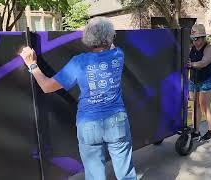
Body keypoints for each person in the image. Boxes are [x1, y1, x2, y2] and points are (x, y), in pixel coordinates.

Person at [20, 17, 137, 180]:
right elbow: (110, 42)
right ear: (110, 36)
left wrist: (32, 64)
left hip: (89, 124)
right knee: (126, 174)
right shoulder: (118, 55)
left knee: (95, 175)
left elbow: (46, 86)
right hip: (117, 121)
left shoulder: (79, 62)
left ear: (88, 38)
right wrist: (99, 31)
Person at [187, 24, 211, 142]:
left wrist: (192, 64)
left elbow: (204, 62)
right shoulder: (192, 48)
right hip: (194, 80)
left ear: (203, 37)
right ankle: (196, 131)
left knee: (204, 106)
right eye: (193, 39)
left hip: (207, 80)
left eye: (197, 38)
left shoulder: (209, 48)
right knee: (195, 106)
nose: (194, 41)